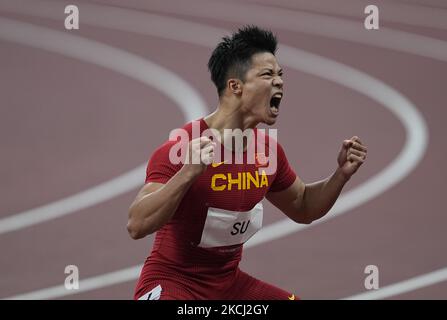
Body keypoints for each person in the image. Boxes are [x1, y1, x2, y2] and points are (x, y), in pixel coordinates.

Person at [127, 25, 367, 300]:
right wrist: (187, 173)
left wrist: (341, 175)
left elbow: (303, 206)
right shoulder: (182, 149)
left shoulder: (268, 152)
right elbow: (137, 224)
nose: (279, 82)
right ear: (235, 86)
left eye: (280, 74)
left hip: (229, 287)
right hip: (174, 284)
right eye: (267, 75)